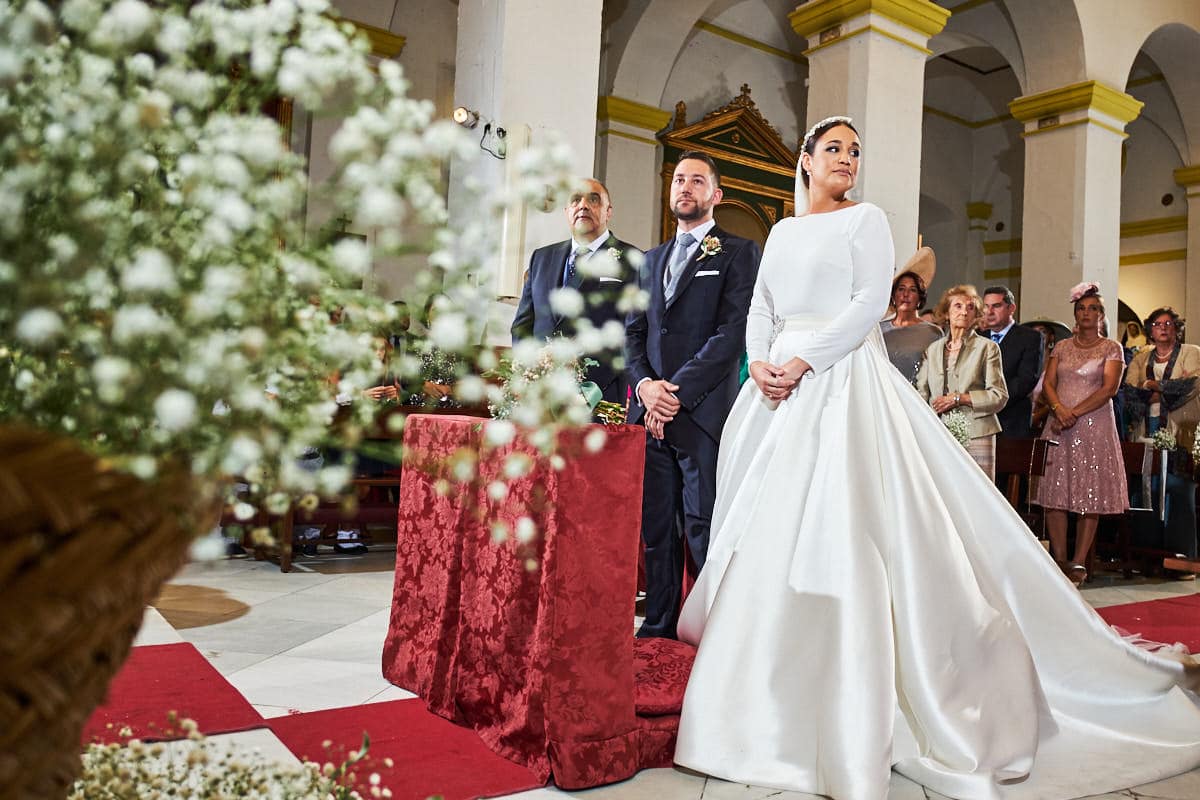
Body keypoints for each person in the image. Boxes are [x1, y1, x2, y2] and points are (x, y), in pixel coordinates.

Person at [674, 116, 1200, 800]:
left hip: (838, 383)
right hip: (778, 391)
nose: (847, 159)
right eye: (833, 148)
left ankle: (863, 702)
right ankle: (763, 696)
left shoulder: (866, 220)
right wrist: (764, 363)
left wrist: (804, 360)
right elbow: (762, 306)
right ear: (805, 160)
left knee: (849, 529)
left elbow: (867, 305)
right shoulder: (781, 232)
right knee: (765, 532)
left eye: (856, 150)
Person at [624, 150, 761, 639]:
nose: (685, 187)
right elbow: (633, 333)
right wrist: (645, 388)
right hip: (648, 414)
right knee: (657, 530)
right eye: (679, 179)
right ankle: (659, 622)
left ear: (715, 195)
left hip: (701, 414)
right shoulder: (649, 260)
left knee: (704, 526)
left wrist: (674, 395)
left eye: (697, 181)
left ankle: (711, 629)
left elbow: (732, 333)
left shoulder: (739, 253)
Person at [511, 178, 642, 405]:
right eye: (575, 200)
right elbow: (523, 324)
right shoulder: (541, 258)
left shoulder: (633, 260)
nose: (583, 205)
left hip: (598, 395)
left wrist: (589, 389)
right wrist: (527, 374)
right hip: (540, 394)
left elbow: (632, 332)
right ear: (566, 211)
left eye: (594, 199)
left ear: (608, 212)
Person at [1036, 283, 1129, 585]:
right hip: (1059, 424)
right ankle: (1059, 559)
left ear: (1101, 314)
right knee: (1056, 492)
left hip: (1093, 426)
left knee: (1089, 491)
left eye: (1093, 309)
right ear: (1075, 313)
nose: (1086, 313)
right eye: (1081, 308)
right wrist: (1058, 408)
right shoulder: (1061, 347)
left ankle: (1079, 561)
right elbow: (1048, 383)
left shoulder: (1111, 348)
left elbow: (1109, 388)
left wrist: (1073, 413)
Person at [1124, 306, 1200, 563]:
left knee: (1180, 491)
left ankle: (1182, 559)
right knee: (1145, 492)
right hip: (1145, 429)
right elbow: (1130, 390)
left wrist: (1155, 386)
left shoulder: (1192, 353)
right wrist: (1165, 388)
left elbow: (1191, 386)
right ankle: (1147, 557)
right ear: (1150, 330)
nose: (1163, 327)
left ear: (1177, 328)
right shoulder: (1141, 357)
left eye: (1169, 323)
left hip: (1179, 431)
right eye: (1157, 323)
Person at [915, 285, 1007, 478]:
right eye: (958, 306)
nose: (964, 311)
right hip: (939, 432)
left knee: (978, 494)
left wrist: (959, 398)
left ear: (976, 315)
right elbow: (921, 395)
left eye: (971, 307)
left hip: (978, 432)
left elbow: (999, 396)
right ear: (946, 313)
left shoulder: (987, 348)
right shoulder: (932, 350)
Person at [981, 285, 1044, 437]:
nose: (989, 312)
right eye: (986, 306)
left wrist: (993, 401)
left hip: (1012, 419)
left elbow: (1026, 379)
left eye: (996, 306)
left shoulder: (1030, 337)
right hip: (980, 419)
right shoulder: (977, 337)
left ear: (1011, 308)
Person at [878, 249, 942, 384]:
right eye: (901, 289)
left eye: (912, 290)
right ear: (894, 296)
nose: (905, 294)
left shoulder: (933, 332)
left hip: (918, 397)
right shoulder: (879, 330)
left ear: (920, 297)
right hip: (886, 393)